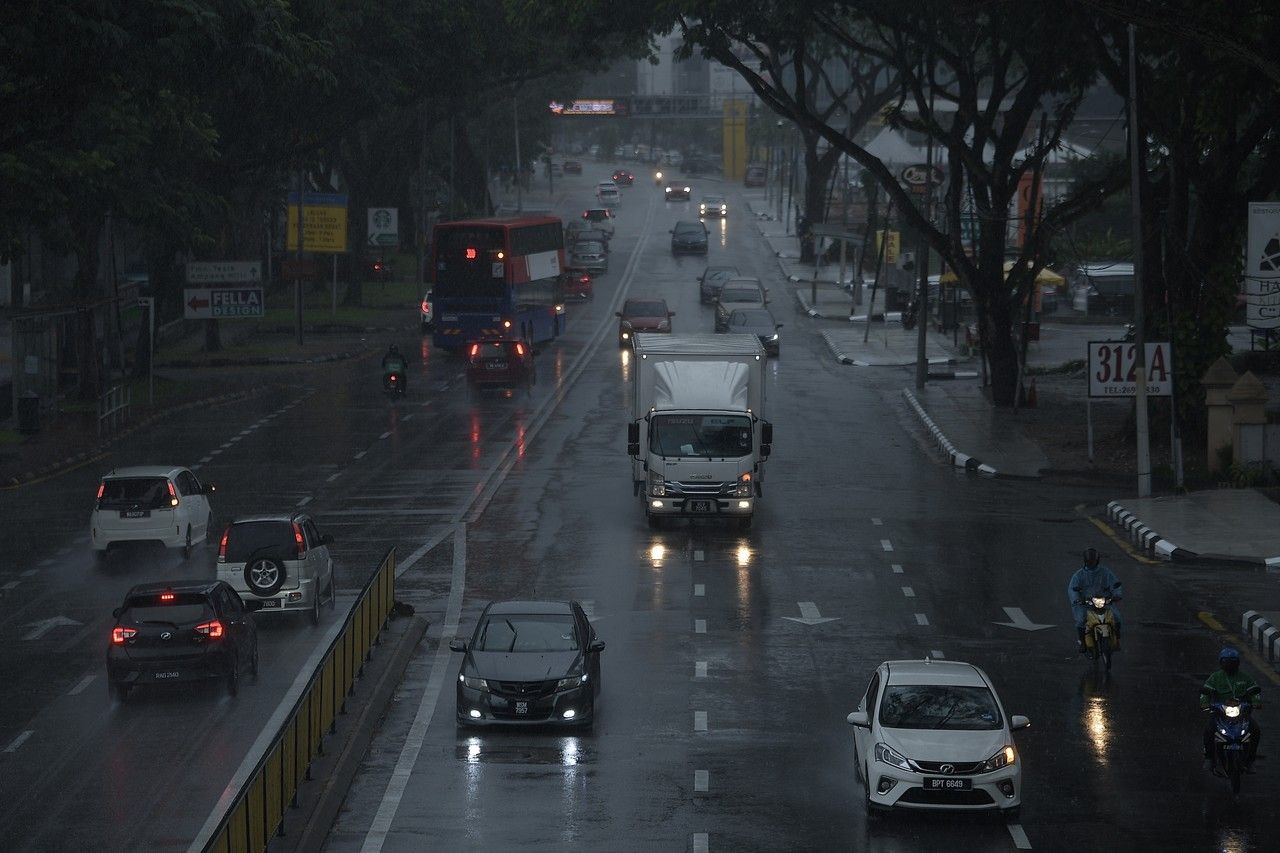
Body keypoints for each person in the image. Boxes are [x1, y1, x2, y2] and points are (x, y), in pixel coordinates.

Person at [1200, 646, 1262, 772]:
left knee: (1255, 730)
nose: (1229, 665)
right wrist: (1204, 704)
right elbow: (1205, 692)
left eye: (1232, 662)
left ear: (1237, 663)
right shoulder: (1215, 677)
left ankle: (1250, 760)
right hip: (1220, 713)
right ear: (1221, 663)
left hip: (1242, 714)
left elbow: (1254, 692)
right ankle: (1209, 758)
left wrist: (1256, 702)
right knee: (1208, 730)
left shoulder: (1245, 677)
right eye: (1226, 662)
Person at [1067, 547, 1123, 653]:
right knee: (1081, 619)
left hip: (1103, 602)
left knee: (1116, 617)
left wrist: (1117, 595)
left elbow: (1115, 584)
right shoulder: (1078, 575)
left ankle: (1117, 639)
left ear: (1097, 561)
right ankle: (1082, 642)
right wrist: (1077, 599)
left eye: (1093, 561)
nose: (1091, 563)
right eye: (1089, 561)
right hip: (1086, 603)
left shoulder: (1105, 573)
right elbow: (1072, 589)